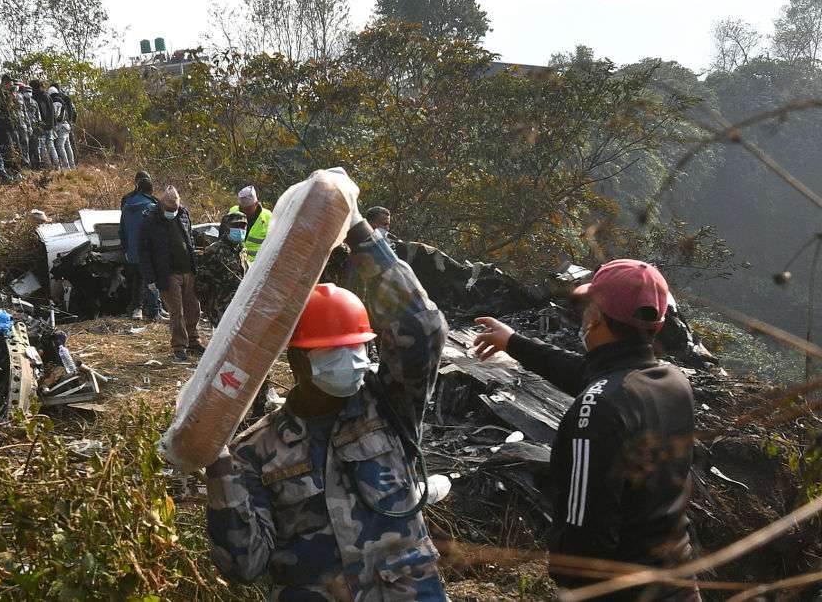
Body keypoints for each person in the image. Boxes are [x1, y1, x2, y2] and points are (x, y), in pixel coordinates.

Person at [205, 192, 450, 600]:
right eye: (336, 352)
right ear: (297, 360)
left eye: (359, 349)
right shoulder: (253, 453)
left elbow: (422, 329)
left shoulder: (388, 405)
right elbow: (244, 566)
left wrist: (359, 233)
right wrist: (216, 468)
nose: (354, 362)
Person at [473, 259, 699, 601]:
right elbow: (594, 374)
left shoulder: (597, 412)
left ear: (594, 317)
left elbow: (583, 541)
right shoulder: (672, 383)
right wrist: (514, 342)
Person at [137, 185, 202, 361]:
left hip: (188, 270)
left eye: (175, 209)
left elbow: (190, 239)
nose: (172, 212)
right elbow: (144, 251)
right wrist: (150, 278)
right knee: (176, 312)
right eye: (169, 209)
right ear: (161, 205)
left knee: (193, 308)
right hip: (168, 273)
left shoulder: (183, 214)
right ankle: (179, 346)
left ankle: (193, 340)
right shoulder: (150, 220)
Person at [120, 170, 161, 319]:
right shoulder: (153, 204)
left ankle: (138, 309)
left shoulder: (126, 202)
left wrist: (126, 247)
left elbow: (122, 229)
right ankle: (154, 309)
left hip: (132, 248)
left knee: (136, 278)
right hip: (148, 249)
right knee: (152, 279)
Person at [195, 211, 249, 326]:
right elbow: (200, 284)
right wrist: (210, 309)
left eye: (243, 226)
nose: (240, 230)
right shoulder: (214, 251)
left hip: (240, 306)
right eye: (236, 226)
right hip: (221, 309)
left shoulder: (242, 250)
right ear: (227, 228)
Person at [228, 185, 272, 262]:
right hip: (233, 260)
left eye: (248, 209)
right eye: (241, 209)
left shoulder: (268, 217)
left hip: (254, 266)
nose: (244, 212)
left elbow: (272, 246)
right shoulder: (233, 211)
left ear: (256, 204)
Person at [29, 80, 60, 169]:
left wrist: (41, 125)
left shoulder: (38, 97)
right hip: (50, 125)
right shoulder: (47, 95)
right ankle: (56, 165)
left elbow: (43, 112)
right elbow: (52, 112)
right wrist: (53, 124)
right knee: (51, 145)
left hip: (43, 126)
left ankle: (47, 166)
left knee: (42, 146)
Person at [0, 74, 19, 166]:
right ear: (5, 83)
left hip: (10, 125)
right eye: (10, 85)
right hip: (1, 125)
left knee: (13, 147)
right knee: (5, 148)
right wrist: (10, 100)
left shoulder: (8, 93)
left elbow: (14, 110)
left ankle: (13, 167)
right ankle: (9, 168)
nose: (11, 87)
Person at [49, 84, 76, 168]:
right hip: (66, 125)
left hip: (61, 126)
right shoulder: (63, 99)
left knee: (60, 146)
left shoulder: (56, 101)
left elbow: (56, 115)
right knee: (68, 146)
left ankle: (66, 167)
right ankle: (72, 166)